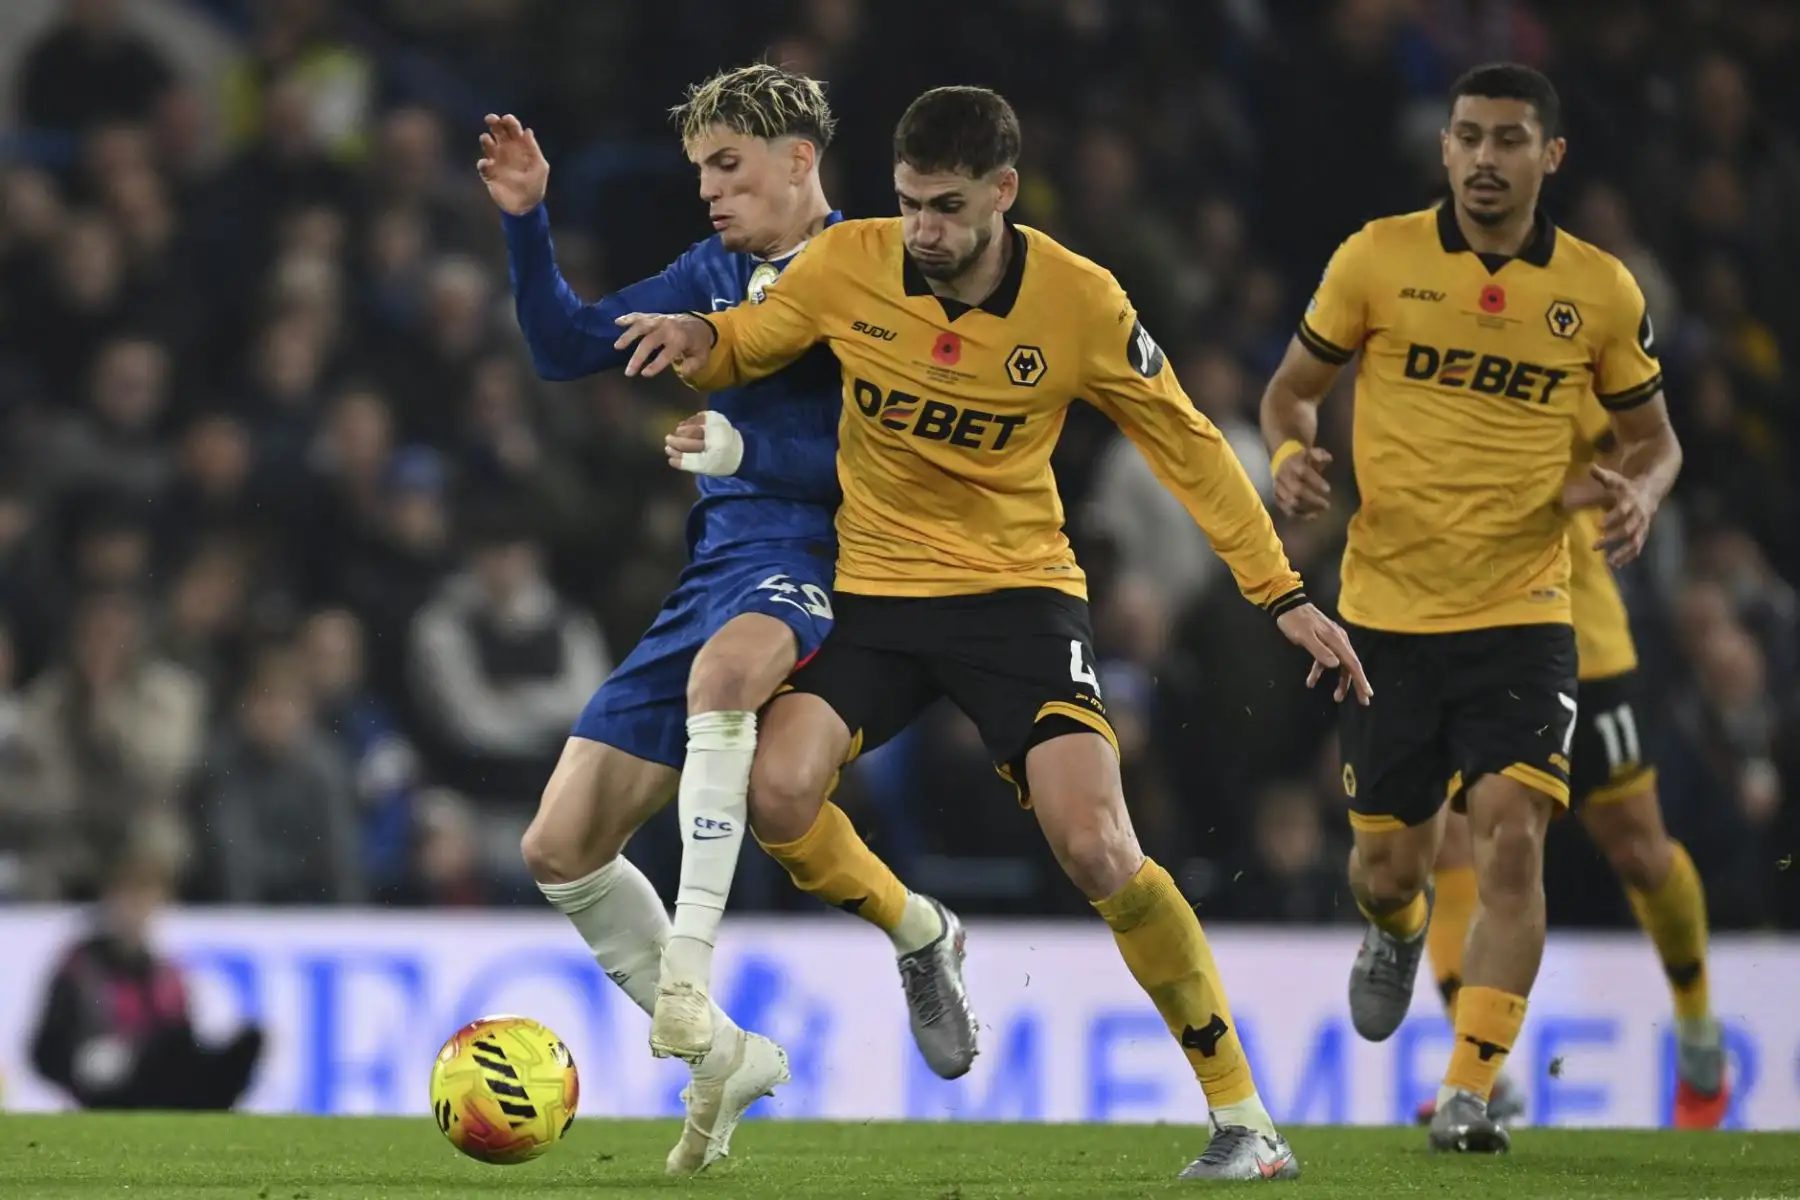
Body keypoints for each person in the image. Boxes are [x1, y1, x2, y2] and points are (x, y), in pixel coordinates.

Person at [616, 84, 1370, 1183]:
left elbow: (1190, 447)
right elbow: (749, 342)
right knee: (776, 794)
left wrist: (1280, 593)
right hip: (875, 590)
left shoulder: (1081, 302)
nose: (921, 230)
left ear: (1004, 192)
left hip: (1017, 596)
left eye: (947, 207)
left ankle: (1244, 1120)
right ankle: (922, 932)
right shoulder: (846, 263)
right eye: (909, 202)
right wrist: (699, 337)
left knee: (1098, 845)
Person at [478, 64, 966, 1175]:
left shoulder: (881, 270)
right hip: (720, 565)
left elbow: (908, 451)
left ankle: (691, 978)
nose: (708, 190)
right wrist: (526, 220)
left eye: (729, 167)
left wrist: (749, 447)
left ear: (800, 161)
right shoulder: (712, 272)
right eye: (702, 169)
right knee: (558, 848)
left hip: (833, 553)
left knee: (726, 682)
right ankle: (728, 1055)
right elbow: (564, 347)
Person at [1259, 63, 1683, 1153]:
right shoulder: (1376, 258)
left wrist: (1643, 489)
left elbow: (1655, 437)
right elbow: (1291, 390)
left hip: (1524, 613)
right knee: (1387, 867)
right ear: (1444, 148)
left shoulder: (1599, 291)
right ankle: (1396, 928)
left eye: (1508, 139)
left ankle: (1470, 1090)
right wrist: (1291, 456)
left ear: (1551, 155)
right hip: (1388, 613)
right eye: (1468, 137)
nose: (1485, 158)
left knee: (1511, 843)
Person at [1417, 392, 1725, 1131]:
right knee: (1452, 844)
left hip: (1579, 635)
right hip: (1470, 637)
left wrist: (1576, 493)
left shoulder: (1576, 350)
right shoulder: (1430, 349)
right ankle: (1480, 1072)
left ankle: (1697, 1029)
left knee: (1638, 851)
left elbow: (1645, 447)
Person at [30, 825, 264, 1110]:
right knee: (166, 1056)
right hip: (107, 1093)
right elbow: (43, 1051)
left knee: (243, 1041)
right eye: (128, 893)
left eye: (145, 895)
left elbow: (182, 1045)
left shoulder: (168, 975)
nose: (135, 906)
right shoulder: (81, 968)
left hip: (159, 1079)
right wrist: (81, 1064)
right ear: (110, 896)